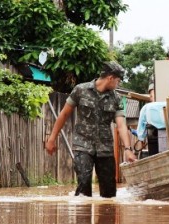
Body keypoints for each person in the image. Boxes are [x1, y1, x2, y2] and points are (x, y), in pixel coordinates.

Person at [45, 61, 136, 198]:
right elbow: (63, 114)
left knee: (109, 192)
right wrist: (52, 138)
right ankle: (83, 217)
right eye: (118, 81)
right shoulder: (80, 90)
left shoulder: (116, 98)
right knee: (84, 184)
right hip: (82, 145)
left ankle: (107, 218)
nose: (118, 84)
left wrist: (128, 149)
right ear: (110, 78)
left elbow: (121, 125)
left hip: (105, 148)